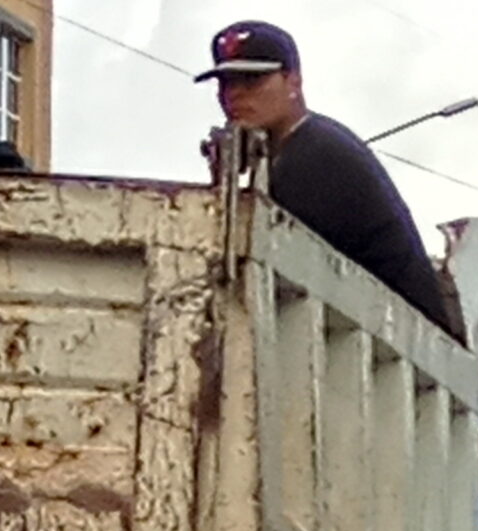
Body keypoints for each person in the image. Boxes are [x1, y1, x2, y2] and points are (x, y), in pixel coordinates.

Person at [198, 21, 463, 338]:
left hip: (404, 342)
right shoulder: (295, 146)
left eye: (252, 80)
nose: (234, 94)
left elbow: (250, 263)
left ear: (293, 81)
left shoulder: (316, 155)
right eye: (226, 83)